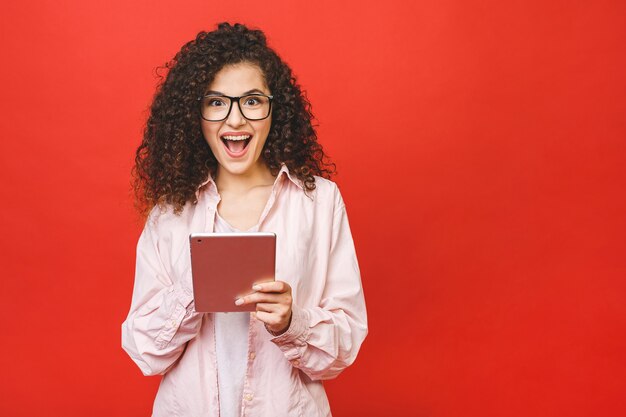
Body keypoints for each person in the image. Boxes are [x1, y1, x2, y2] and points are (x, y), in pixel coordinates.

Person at [121, 22, 367, 417]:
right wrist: (193, 286)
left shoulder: (319, 202)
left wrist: (292, 322)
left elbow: (345, 347)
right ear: (195, 113)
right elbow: (145, 352)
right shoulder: (170, 213)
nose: (235, 120)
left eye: (252, 101)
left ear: (275, 109)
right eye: (217, 102)